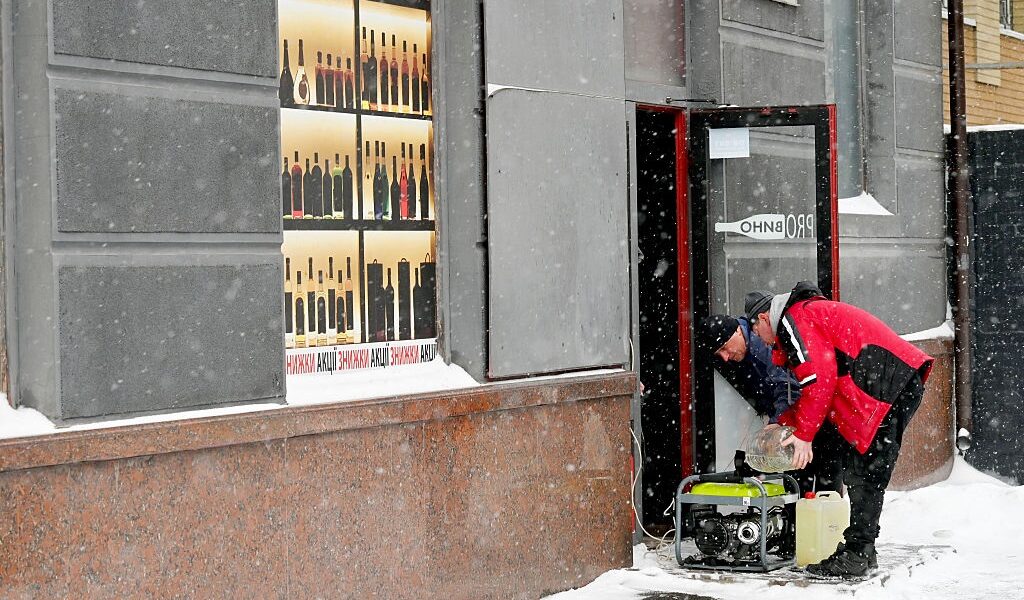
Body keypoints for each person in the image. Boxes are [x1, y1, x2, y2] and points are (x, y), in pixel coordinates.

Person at [748, 281, 933, 578]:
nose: (761, 339)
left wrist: (805, 436)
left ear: (764, 318)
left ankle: (858, 554)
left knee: (867, 472)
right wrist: (785, 422)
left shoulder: (795, 319)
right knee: (865, 469)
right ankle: (862, 551)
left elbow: (819, 379)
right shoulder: (805, 315)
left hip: (885, 383)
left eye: (757, 331)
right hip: (888, 382)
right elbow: (818, 387)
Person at [696, 303, 843, 495]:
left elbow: (788, 387)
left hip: (814, 420)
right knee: (808, 488)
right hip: (801, 420)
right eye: (719, 353)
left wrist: (777, 421)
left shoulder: (761, 344)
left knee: (811, 487)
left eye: (724, 348)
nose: (725, 357)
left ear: (738, 332)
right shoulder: (743, 349)